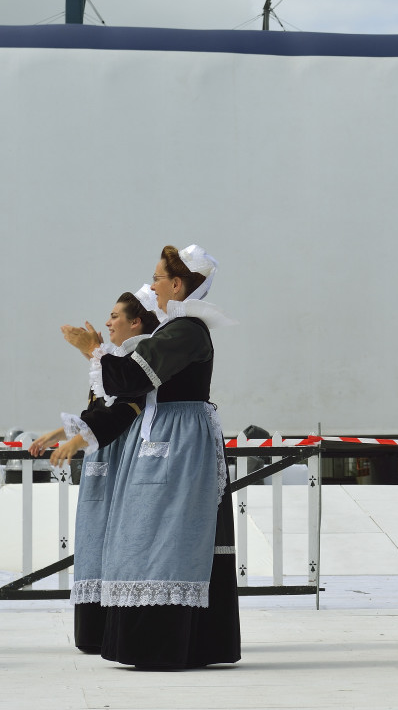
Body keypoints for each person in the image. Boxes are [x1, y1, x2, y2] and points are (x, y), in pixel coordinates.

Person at [66, 244, 240, 669]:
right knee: (153, 534)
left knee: (166, 536)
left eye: (158, 278)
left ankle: (163, 644)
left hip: (178, 443)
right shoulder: (175, 329)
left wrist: (94, 350)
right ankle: (172, 641)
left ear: (178, 284)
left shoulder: (187, 330)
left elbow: (129, 380)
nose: (153, 285)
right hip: (167, 436)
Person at [30, 288, 160, 653]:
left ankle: (112, 627)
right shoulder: (114, 361)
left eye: (115, 315)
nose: (108, 322)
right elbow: (96, 411)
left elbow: (122, 410)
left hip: (122, 458)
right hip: (101, 457)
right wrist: (59, 434)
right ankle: (95, 628)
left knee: (119, 538)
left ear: (136, 322)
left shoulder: (138, 359)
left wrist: (93, 352)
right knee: (94, 535)